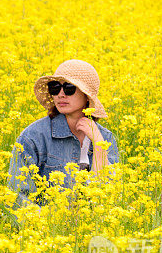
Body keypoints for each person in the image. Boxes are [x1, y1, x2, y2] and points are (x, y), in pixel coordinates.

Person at [7, 59, 120, 208]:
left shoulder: (105, 138)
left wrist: (99, 145)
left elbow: (108, 199)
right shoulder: (33, 137)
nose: (60, 94)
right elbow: (17, 197)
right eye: (54, 88)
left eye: (69, 88)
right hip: (44, 228)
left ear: (86, 95)